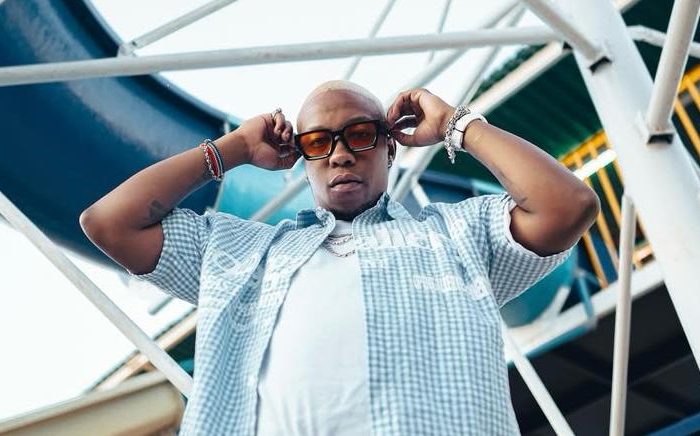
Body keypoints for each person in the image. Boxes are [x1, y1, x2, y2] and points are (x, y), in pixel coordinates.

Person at [80, 80, 599, 436]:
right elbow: (108, 222)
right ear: (301, 158)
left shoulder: (456, 235)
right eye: (318, 142)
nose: (341, 154)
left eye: (360, 134)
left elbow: (568, 206)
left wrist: (453, 123)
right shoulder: (239, 252)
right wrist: (233, 148)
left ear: (390, 146)